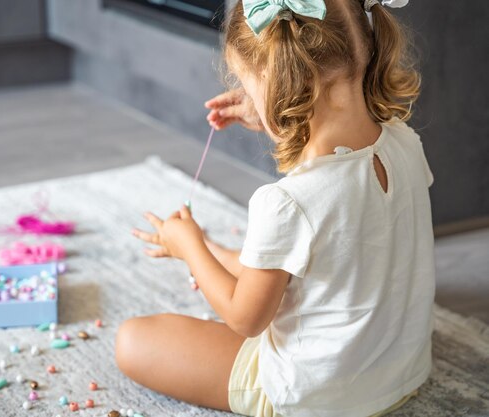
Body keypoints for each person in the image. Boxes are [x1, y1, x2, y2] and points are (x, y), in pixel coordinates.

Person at [117, 0, 435, 416]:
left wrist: (191, 247)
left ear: (280, 81)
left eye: (250, 88)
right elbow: (339, 254)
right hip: (402, 377)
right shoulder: (405, 143)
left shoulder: (289, 202)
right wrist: (262, 102)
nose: (249, 98)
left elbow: (245, 318)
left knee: (133, 339)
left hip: (318, 399)